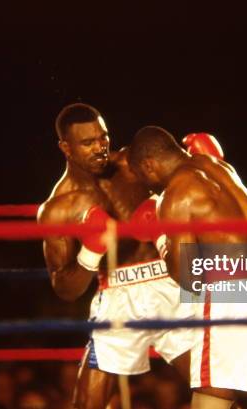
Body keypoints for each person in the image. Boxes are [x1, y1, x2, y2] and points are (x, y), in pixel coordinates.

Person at [127, 126, 247, 409]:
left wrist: (160, 237)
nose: (148, 187)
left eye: (143, 177)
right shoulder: (218, 165)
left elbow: (188, 279)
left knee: (209, 403)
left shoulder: (176, 195)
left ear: (149, 164)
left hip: (239, 293)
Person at [37, 104, 195, 409]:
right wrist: (91, 251)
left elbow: (192, 180)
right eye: (88, 143)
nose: (100, 148)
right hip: (118, 296)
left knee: (217, 392)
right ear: (65, 148)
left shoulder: (134, 165)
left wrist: (207, 161)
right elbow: (64, 288)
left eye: (103, 138)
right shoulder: (59, 207)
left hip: (171, 283)